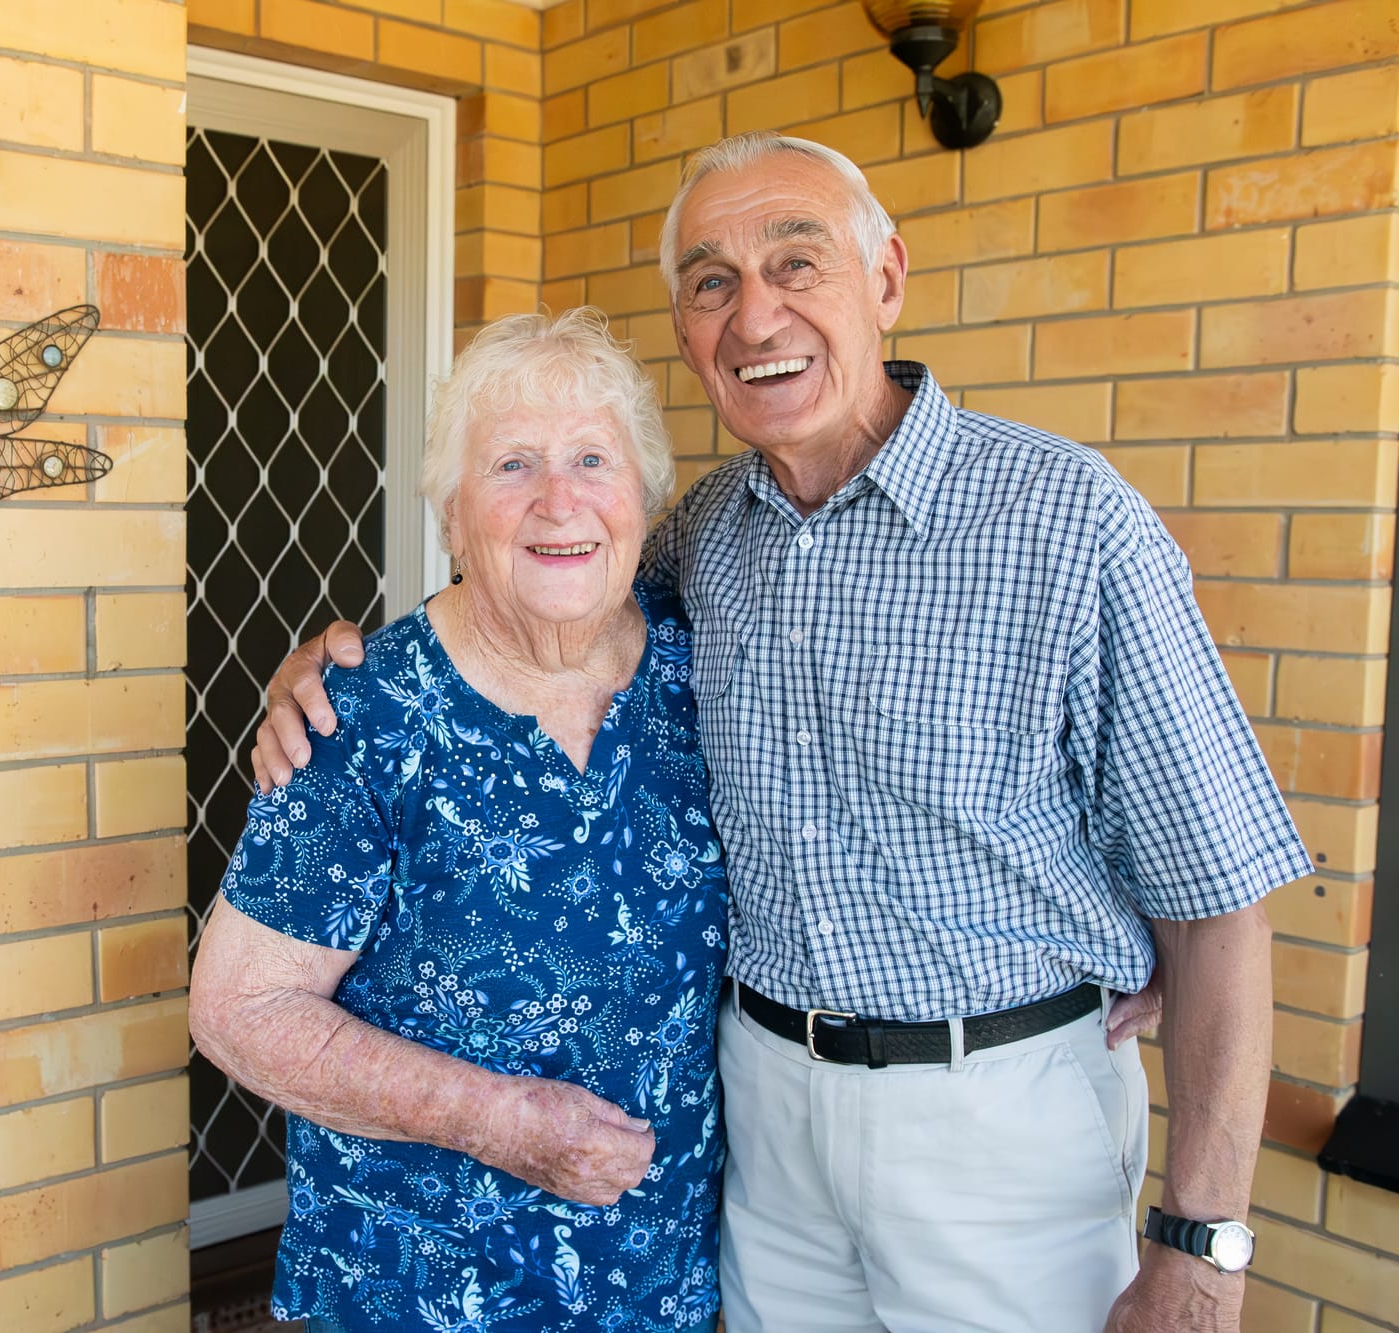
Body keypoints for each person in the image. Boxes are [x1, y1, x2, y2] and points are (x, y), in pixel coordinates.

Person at [250, 132, 1307, 1333]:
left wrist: (1200, 1245)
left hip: (997, 1117)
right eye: (711, 282)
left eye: (795, 264)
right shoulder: (704, 537)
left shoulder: (1068, 524)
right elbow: (532, 596)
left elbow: (1219, 901)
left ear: (887, 279)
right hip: (761, 1126)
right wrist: (337, 669)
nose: (755, 316)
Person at [190, 308, 730, 1333]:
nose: (557, 499)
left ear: (643, 498)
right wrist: (499, 1120)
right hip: (425, 1278)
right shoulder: (363, 714)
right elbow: (238, 1009)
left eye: (589, 458)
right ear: (448, 515)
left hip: (660, 1269)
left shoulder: (699, 670)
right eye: (511, 465)